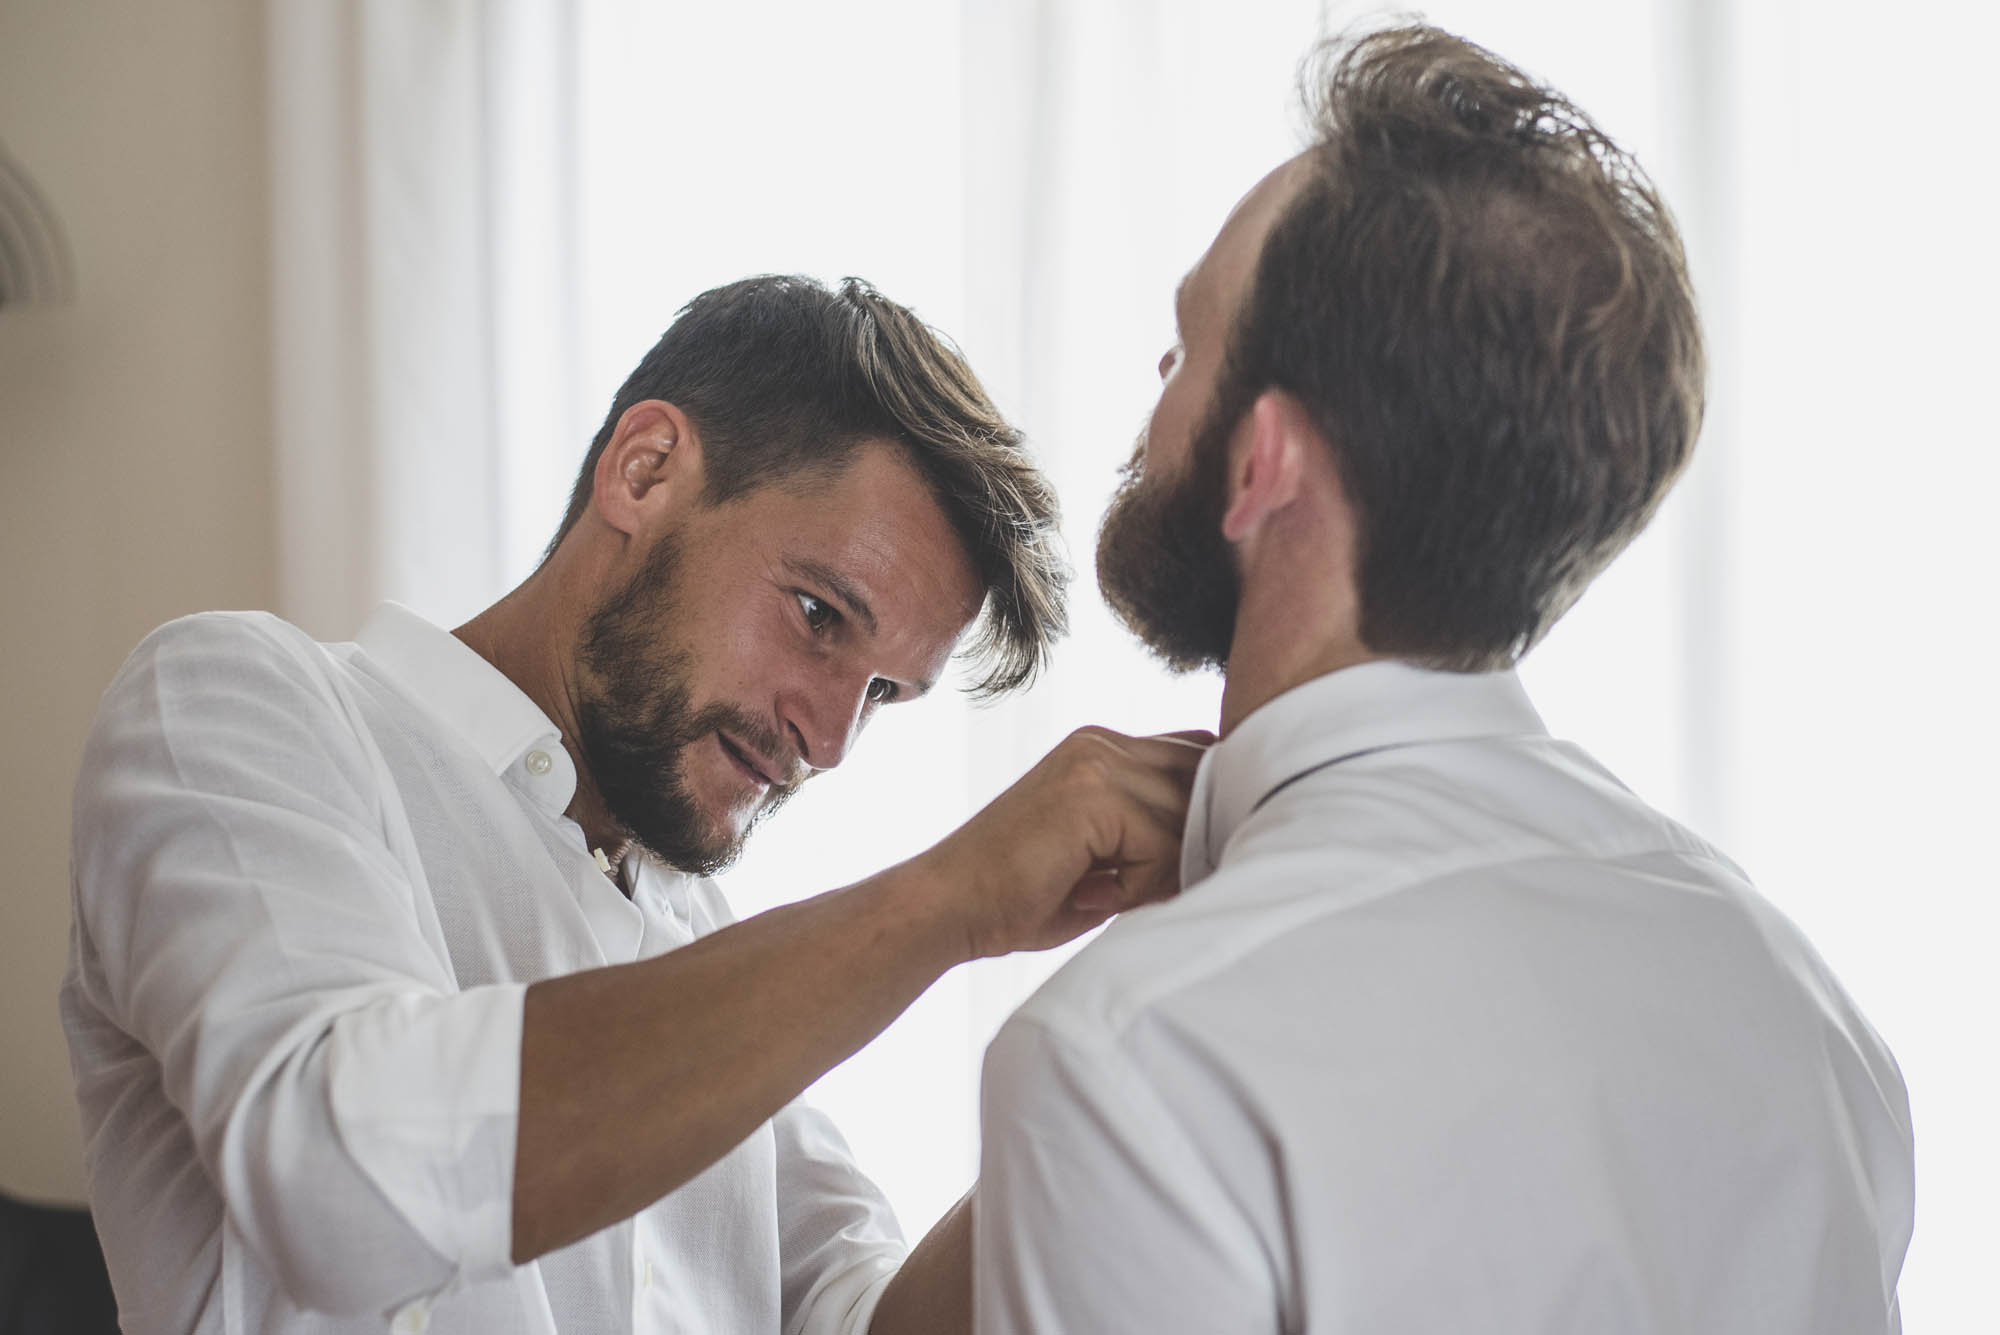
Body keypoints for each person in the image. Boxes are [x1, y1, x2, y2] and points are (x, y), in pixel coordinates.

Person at [975, 25, 1913, 1334]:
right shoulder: (1800, 1006)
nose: (1156, 389)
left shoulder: (1136, 1055)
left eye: (1184, 348)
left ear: (1265, 465)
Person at [61, 274, 1205, 1335]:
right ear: (645, 470)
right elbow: (344, 1177)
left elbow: (864, 1320)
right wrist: (947, 901)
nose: (829, 739)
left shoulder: (708, 961)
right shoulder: (243, 705)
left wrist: (1147, 1018)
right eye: (816, 616)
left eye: (882, 694)